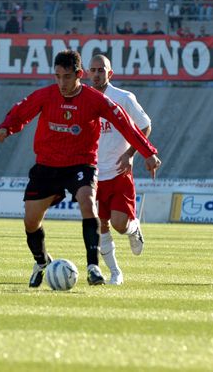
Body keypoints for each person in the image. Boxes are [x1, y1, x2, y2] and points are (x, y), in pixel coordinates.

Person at [0, 50, 161, 287]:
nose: (62, 82)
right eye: (57, 76)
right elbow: (22, 110)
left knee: (87, 200)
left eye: (67, 77)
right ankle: (42, 262)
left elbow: (126, 125)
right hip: (47, 165)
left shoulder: (97, 100)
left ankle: (93, 267)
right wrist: (6, 127)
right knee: (31, 222)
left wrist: (148, 152)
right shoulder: (46, 95)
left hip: (80, 164)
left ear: (78, 75)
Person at [89, 54, 153, 285]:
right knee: (99, 225)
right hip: (93, 174)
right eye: (93, 70)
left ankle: (133, 228)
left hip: (118, 171)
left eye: (101, 70)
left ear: (110, 73)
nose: (97, 74)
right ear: (87, 73)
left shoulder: (123, 98)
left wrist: (130, 154)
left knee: (119, 224)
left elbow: (145, 125)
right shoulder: (84, 99)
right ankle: (115, 273)